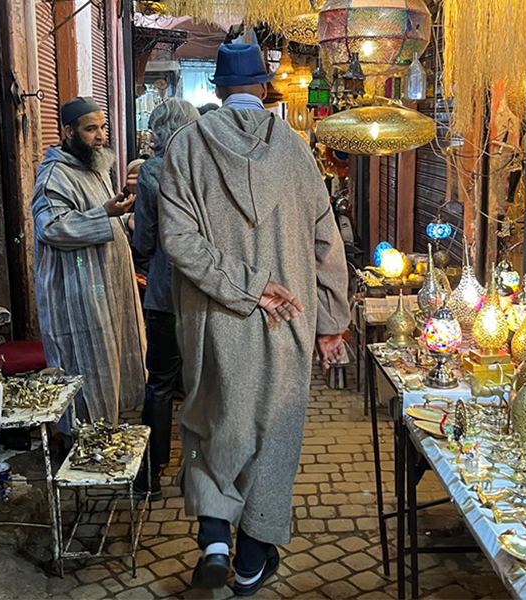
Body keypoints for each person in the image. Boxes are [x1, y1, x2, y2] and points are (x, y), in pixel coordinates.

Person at [158, 44, 350, 596]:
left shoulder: (185, 146)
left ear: (218, 89)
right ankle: (248, 563)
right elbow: (326, 243)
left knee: (211, 424)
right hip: (289, 318)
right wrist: (331, 323)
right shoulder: (296, 151)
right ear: (264, 89)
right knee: (273, 434)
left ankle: (215, 540)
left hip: (212, 320)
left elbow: (178, 240)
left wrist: (243, 284)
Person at [32, 97, 146, 425]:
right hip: (77, 292)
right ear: (68, 131)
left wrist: (122, 218)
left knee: (109, 364)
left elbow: (100, 215)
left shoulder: (93, 167)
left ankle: (108, 431)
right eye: (90, 129)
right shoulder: (54, 176)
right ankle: (81, 441)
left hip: (103, 287)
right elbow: (50, 227)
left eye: (102, 127)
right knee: (85, 370)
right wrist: (105, 214)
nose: (100, 136)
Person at [132, 98, 200, 499]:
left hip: (163, 292)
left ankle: (151, 474)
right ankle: (197, 471)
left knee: (159, 384)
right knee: (201, 385)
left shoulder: (152, 171)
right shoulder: (208, 166)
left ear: (159, 131)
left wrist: (147, 255)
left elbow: (144, 238)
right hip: (206, 294)